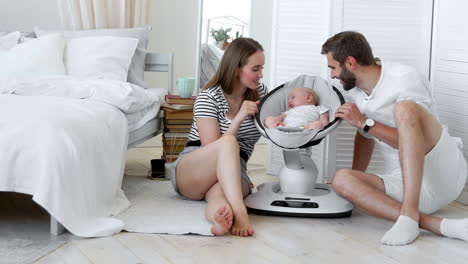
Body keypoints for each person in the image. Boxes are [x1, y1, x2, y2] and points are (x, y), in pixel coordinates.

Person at [321, 31, 468, 246]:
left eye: (333, 67)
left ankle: (409, 214)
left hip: (441, 171)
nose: (332, 75)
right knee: (341, 179)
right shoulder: (356, 94)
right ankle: (438, 225)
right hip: (404, 181)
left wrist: (364, 122)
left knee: (404, 108)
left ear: (350, 62)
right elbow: (365, 137)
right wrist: (355, 185)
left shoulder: (405, 78)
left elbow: (418, 143)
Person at [166, 37, 267, 237]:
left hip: (235, 168)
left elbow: (273, 125)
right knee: (228, 142)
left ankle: (220, 219)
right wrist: (238, 119)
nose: (261, 75)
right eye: (255, 69)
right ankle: (240, 212)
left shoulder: (260, 93)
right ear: (236, 68)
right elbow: (215, 148)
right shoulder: (209, 96)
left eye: (262, 68)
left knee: (219, 198)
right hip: (195, 168)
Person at [264, 87, 329, 129]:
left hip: (305, 128)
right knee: (269, 119)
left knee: (317, 124)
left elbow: (324, 121)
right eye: (288, 99)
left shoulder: (318, 108)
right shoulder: (291, 111)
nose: (289, 101)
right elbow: (281, 117)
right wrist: (275, 119)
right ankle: (277, 131)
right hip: (284, 126)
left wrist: (321, 125)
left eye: (293, 97)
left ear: (308, 98)